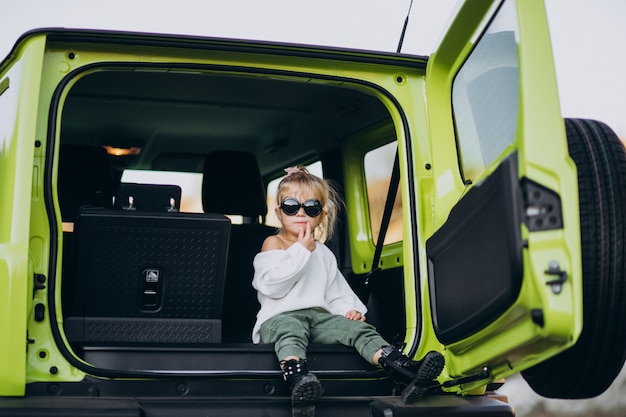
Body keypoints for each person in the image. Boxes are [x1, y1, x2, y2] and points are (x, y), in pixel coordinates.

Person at [252, 166, 444, 415]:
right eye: (291, 206)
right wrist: (301, 250)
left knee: (358, 329)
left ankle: (404, 369)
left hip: (318, 319)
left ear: (321, 215)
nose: (300, 213)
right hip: (279, 319)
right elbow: (272, 285)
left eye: (310, 208)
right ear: (279, 212)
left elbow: (335, 291)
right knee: (292, 330)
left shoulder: (323, 252)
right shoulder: (273, 243)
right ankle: (297, 380)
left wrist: (348, 310)